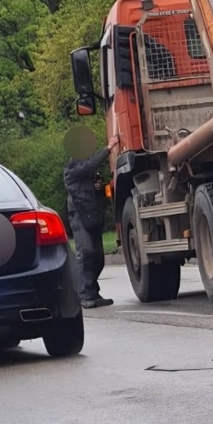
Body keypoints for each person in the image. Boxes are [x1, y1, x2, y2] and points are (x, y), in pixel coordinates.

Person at [64, 132, 120, 308]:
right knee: (86, 254)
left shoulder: (88, 172)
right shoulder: (72, 169)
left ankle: (93, 292)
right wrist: (108, 148)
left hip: (92, 216)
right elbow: (88, 166)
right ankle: (83, 294)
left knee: (97, 257)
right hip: (79, 215)